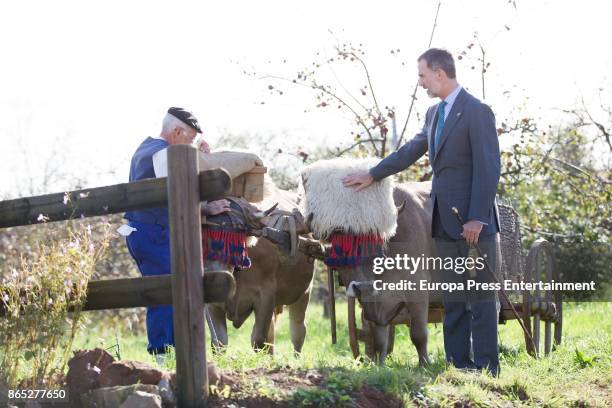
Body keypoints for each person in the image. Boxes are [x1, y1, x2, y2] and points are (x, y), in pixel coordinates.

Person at [343, 48, 501, 376]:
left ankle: (487, 369)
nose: (421, 83)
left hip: (476, 223)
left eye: (423, 76)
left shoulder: (478, 112)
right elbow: (410, 151)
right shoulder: (433, 115)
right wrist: (373, 173)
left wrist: (476, 217)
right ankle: (460, 365)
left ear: (440, 73)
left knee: (482, 298)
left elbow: (489, 168)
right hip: (443, 221)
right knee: (454, 297)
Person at [124, 107, 230, 357]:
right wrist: (206, 208)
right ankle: (163, 355)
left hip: (145, 230)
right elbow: (178, 195)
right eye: (190, 138)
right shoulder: (162, 154)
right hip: (155, 232)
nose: (192, 143)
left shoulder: (146, 148)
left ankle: (173, 354)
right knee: (165, 291)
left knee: (171, 290)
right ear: (177, 131)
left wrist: (195, 155)